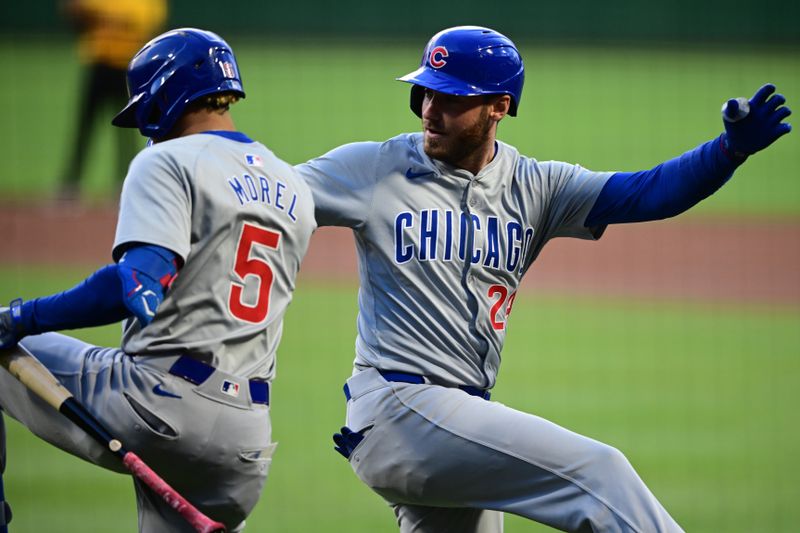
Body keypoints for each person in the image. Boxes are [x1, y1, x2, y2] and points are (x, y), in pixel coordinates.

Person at [295, 26, 791, 533]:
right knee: (601, 473)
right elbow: (272, 195)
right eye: (426, 91)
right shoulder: (373, 168)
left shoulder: (538, 185)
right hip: (401, 407)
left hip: (455, 423)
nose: (430, 109)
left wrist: (727, 153)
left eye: (451, 98)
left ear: (498, 107)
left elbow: (649, 193)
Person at [0, 28, 315, 532]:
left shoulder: (165, 159)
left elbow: (137, 286)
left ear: (164, 96)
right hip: (246, 441)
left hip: (158, 404)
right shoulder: (292, 183)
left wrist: (22, 316)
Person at [57, 0, 167, 200]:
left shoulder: (147, 4)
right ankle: (71, 183)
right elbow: (74, 14)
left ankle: (126, 181)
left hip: (129, 69)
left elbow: (149, 28)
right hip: (99, 65)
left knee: (129, 130)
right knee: (85, 126)